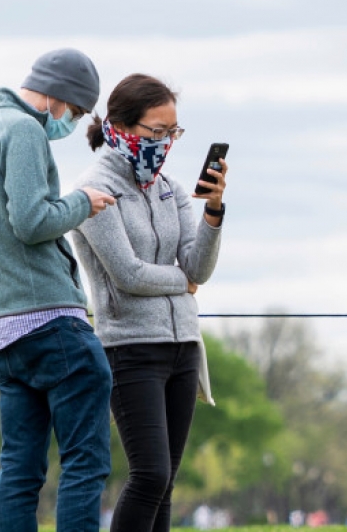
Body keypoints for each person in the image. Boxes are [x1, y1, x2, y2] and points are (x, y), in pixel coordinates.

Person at [0, 48, 118, 532]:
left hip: (5, 330)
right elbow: (31, 221)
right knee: (85, 462)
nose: (70, 122)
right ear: (58, 97)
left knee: (20, 471)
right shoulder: (25, 130)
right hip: (51, 320)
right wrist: (81, 202)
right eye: (74, 111)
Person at [70, 73, 228, 532]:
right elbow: (130, 275)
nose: (165, 143)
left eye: (172, 133)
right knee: (149, 475)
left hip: (183, 346)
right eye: (155, 132)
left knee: (166, 483)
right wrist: (184, 282)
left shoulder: (169, 188)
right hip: (130, 347)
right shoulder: (96, 189)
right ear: (120, 126)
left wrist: (214, 212)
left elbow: (199, 267)